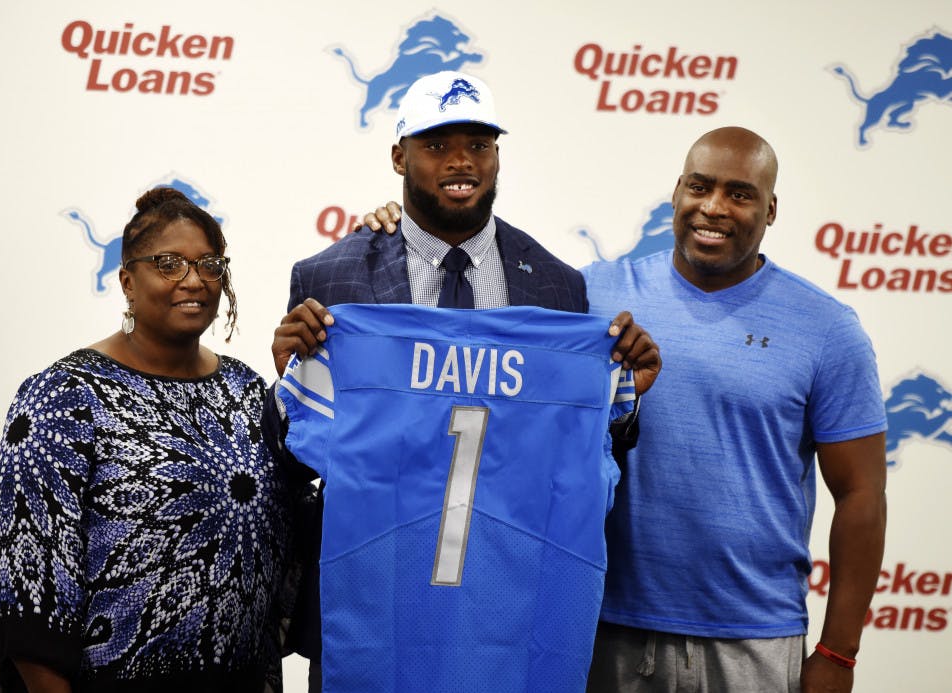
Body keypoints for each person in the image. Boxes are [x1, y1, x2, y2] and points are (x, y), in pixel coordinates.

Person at [363, 126, 887, 693]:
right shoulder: (590, 297)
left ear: (772, 208)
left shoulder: (827, 329)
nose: (713, 207)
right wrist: (402, 233)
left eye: (740, 194)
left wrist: (839, 652)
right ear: (676, 193)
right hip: (595, 626)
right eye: (699, 186)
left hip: (754, 637)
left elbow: (860, 495)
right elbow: (469, 358)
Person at [268, 70, 661, 692]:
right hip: (375, 604)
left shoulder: (559, 287)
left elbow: (581, 448)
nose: (460, 162)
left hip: (507, 606)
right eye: (436, 145)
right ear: (399, 155)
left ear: (498, 155)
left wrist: (625, 398)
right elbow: (296, 457)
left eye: (479, 144)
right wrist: (287, 380)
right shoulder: (331, 278)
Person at [0, 187, 300, 692]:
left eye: (209, 264)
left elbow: (287, 530)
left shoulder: (246, 390)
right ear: (127, 280)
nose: (193, 280)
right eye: (167, 264)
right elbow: (25, 591)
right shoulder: (64, 395)